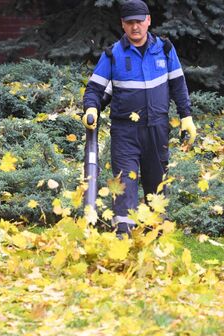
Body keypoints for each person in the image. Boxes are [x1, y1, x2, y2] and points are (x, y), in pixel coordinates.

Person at [82, 0, 196, 236]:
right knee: (125, 186)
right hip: (126, 134)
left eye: (139, 21)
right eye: (130, 22)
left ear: (148, 21)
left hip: (157, 130)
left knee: (157, 187)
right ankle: (123, 238)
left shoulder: (164, 49)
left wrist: (186, 116)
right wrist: (91, 109)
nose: (136, 27)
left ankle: (155, 238)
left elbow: (178, 85)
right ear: (123, 25)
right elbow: (94, 90)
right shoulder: (113, 54)